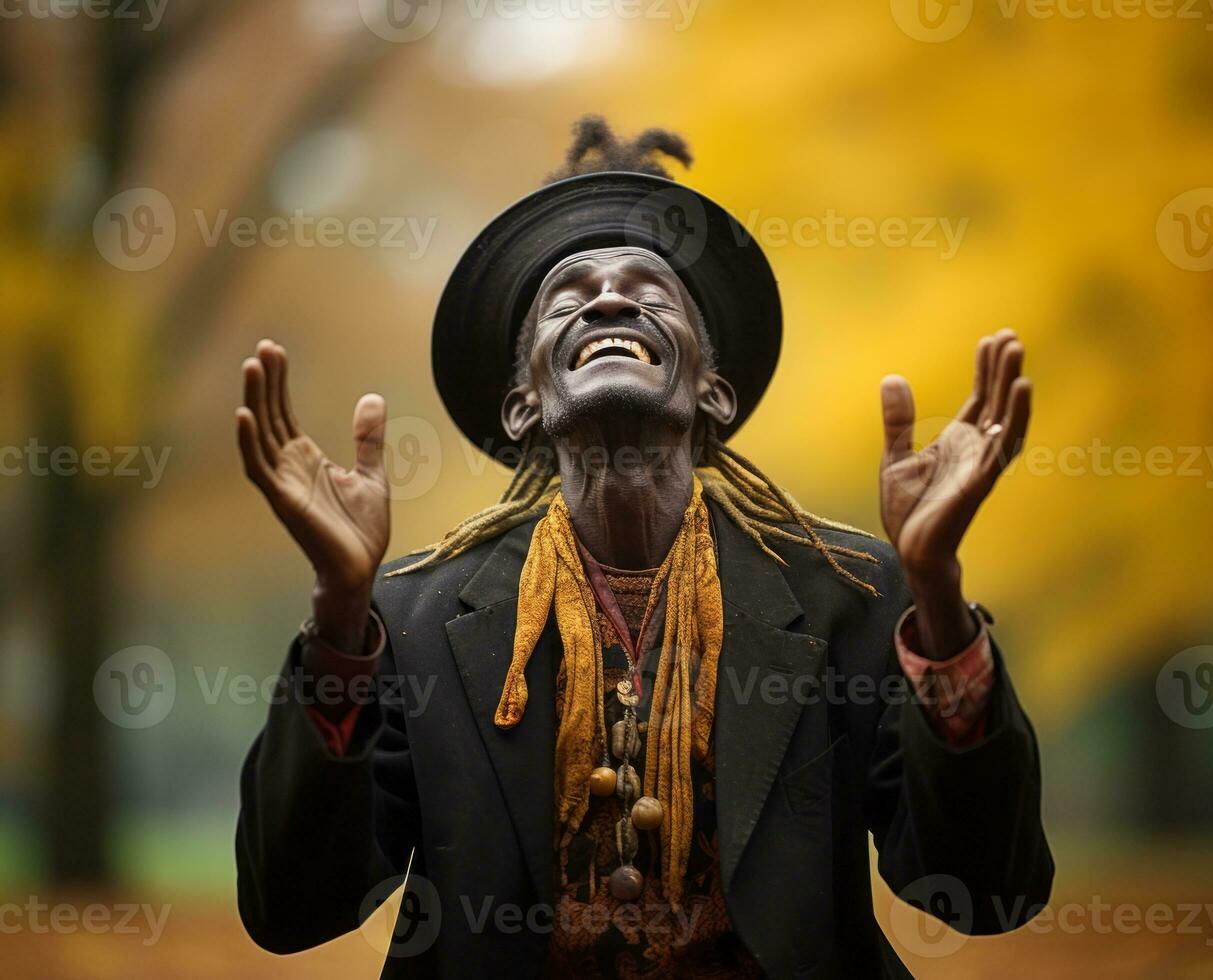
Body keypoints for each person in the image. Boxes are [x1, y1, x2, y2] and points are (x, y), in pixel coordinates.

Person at [234, 116, 1052, 978]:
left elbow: (986, 890)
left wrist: (939, 601)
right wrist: (336, 617)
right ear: (523, 407)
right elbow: (292, 911)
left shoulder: (854, 595)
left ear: (712, 392)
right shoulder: (409, 616)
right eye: (567, 296)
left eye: (651, 291)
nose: (609, 301)